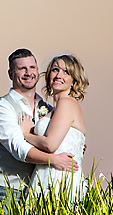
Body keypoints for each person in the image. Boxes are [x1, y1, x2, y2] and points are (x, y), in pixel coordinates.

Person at [0, 48, 78, 204]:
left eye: (32, 68)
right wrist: (53, 160)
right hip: (9, 189)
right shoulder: (2, 108)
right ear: (11, 74)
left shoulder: (48, 109)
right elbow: (19, 149)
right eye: (22, 69)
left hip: (40, 188)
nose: (29, 73)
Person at [20, 54, 88, 200]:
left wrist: (25, 133)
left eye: (66, 72)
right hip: (48, 174)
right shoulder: (55, 109)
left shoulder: (67, 104)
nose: (59, 75)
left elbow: (50, 145)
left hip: (58, 177)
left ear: (74, 80)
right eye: (55, 70)